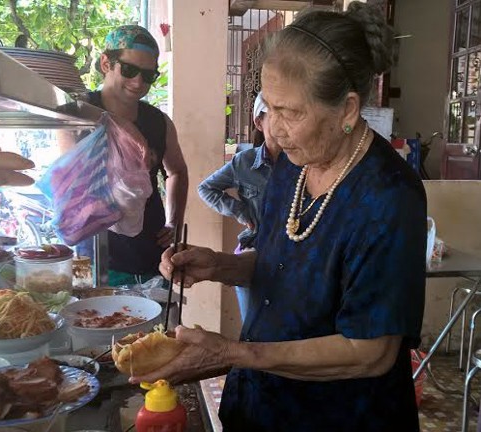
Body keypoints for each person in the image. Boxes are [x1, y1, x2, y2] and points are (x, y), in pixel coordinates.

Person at [132, 3, 426, 431]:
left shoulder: (389, 197)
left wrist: (230, 354)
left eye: (290, 112)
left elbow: (371, 351)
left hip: (339, 416)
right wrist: (222, 265)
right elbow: (285, 264)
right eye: (268, 107)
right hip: (264, 402)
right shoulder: (294, 163)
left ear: (346, 109)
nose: (273, 128)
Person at [87, 25, 188, 287]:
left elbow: (177, 171)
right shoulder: (80, 115)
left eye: (148, 75)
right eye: (130, 70)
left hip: (150, 255)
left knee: (153, 328)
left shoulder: (158, 122)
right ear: (106, 63)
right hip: (95, 257)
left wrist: (173, 222)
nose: (138, 83)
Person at [197, 92, 281, 320]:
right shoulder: (243, 163)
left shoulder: (305, 163)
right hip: (254, 252)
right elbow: (206, 188)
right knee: (253, 326)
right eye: (277, 115)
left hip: (296, 258)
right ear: (258, 122)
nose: (286, 125)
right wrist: (239, 211)